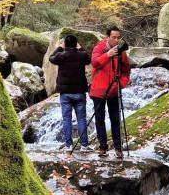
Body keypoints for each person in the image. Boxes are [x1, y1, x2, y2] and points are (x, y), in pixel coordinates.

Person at [90, 25, 131, 159]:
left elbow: (126, 71)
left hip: (114, 90)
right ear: (107, 37)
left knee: (115, 120)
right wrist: (107, 55)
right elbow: (95, 63)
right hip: (98, 91)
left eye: (118, 37)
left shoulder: (122, 53)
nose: (117, 40)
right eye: (114, 37)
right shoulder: (99, 48)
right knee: (99, 120)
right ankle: (103, 147)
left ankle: (118, 148)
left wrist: (122, 84)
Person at [49, 33, 91, 153]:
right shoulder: (82, 55)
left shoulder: (61, 56)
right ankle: (84, 145)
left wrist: (60, 47)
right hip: (79, 92)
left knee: (66, 119)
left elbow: (51, 57)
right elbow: (89, 59)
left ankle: (68, 145)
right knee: (81, 119)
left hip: (65, 93)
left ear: (65, 44)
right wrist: (80, 48)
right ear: (76, 44)